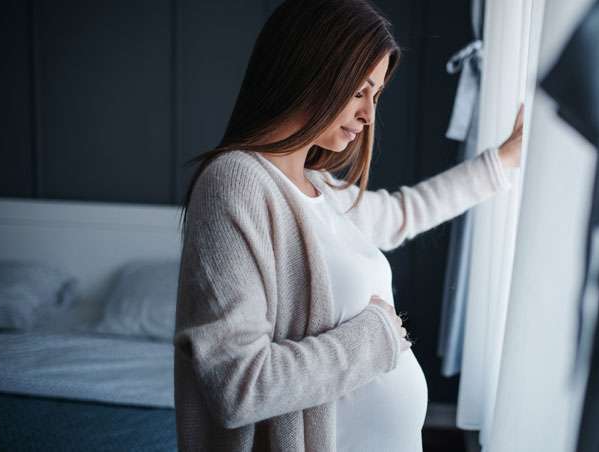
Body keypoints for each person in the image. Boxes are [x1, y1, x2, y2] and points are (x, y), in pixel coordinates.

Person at [173, 0, 524, 451]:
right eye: (359, 91)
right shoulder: (236, 183)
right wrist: (375, 337)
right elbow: (238, 386)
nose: (369, 115)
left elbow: (405, 212)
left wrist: (503, 161)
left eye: (375, 96)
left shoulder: (321, 188)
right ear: (310, 69)